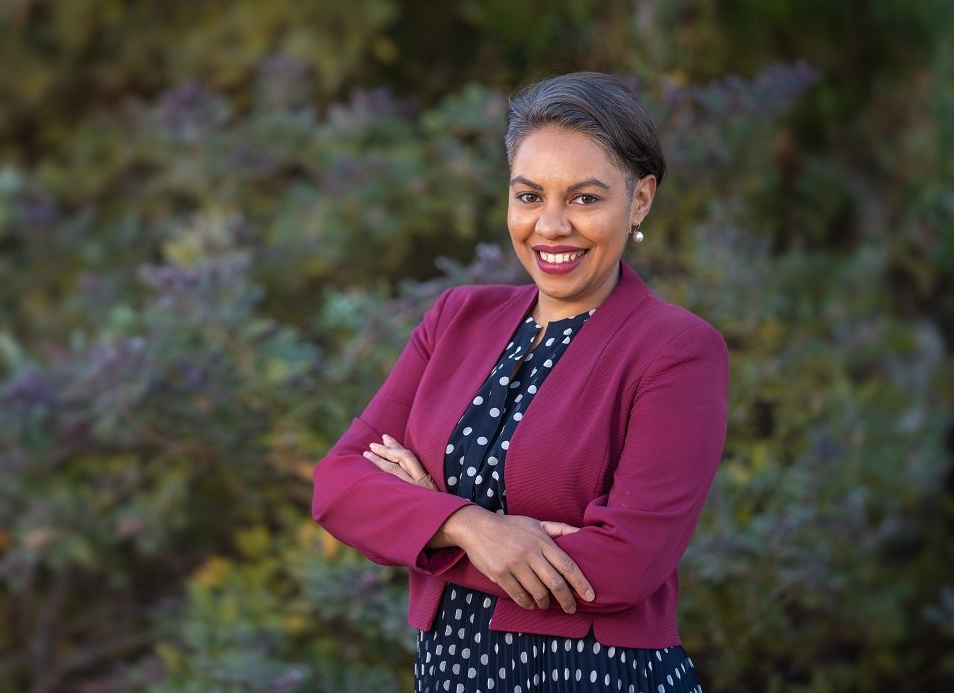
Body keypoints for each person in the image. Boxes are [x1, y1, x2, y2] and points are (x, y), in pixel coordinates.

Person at [311, 72, 728, 693]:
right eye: (529, 196)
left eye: (585, 199)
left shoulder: (676, 350)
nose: (551, 226)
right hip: (451, 674)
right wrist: (469, 528)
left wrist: (418, 522)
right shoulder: (457, 317)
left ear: (639, 199)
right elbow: (339, 485)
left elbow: (623, 566)